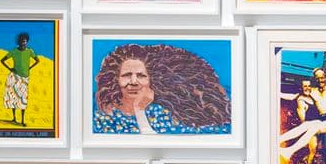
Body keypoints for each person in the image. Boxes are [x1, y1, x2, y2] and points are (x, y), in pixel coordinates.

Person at [91, 44, 231, 135]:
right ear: (115, 80)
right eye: (127, 75)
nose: (134, 82)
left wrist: (140, 110)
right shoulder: (101, 117)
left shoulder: (163, 115)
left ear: (151, 80)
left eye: (141, 75)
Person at [0, 31, 39, 127]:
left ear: (27, 42)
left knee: (23, 98)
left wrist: (29, 68)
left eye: (25, 41)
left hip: (25, 77)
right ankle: (14, 118)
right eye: (22, 41)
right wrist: (10, 68)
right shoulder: (14, 51)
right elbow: (2, 60)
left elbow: (37, 60)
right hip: (15, 76)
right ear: (19, 42)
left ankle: (22, 120)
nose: (23, 43)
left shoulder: (30, 51)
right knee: (14, 98)